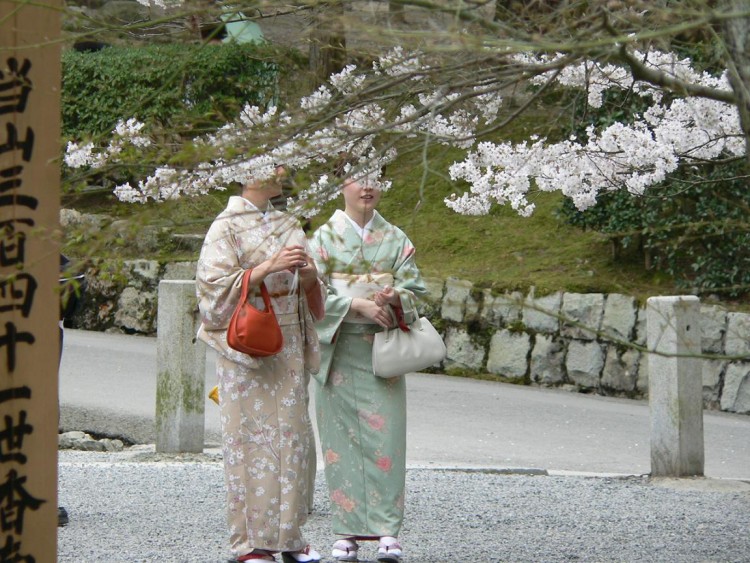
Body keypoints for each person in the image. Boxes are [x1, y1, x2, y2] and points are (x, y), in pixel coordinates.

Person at [196, 165, 325, 563]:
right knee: (250, 442)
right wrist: (266, 268)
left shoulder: (287, 221)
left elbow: (313, 288)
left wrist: (307, 275)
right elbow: (212, 289)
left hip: (287, 344)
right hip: (248, 346)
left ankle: (290, 537)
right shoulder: (226, 225)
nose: (283, 172)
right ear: (248, 174)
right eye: (274, 165)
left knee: (293, 439)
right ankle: (251, 543)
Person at [309, 161, 427, 563]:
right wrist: (354, 303)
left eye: (375, 178)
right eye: (359, 178)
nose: (367, 187)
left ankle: (387, 530)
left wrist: (395, 298)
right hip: (339, 348)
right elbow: (309, 294)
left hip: (381, 348)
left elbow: (415, 289)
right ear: (341, 184)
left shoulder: (395, 238)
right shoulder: (322, 239)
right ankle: (346, 529)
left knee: (386, 438)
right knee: (340, 442)